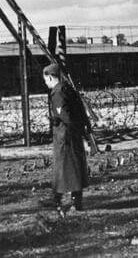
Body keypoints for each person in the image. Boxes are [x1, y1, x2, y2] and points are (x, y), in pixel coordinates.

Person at [42, 63, 89, 213]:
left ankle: (57, 200)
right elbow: (79, 111)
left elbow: (64, 115)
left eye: (46, 80)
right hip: (73, 134)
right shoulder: (68, 88)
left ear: (50, 77)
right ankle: (77, 201)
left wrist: (55, 120)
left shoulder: (57, 92)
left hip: (64, 136)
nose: (45, 83)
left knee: (62, 169)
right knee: (75, 168)